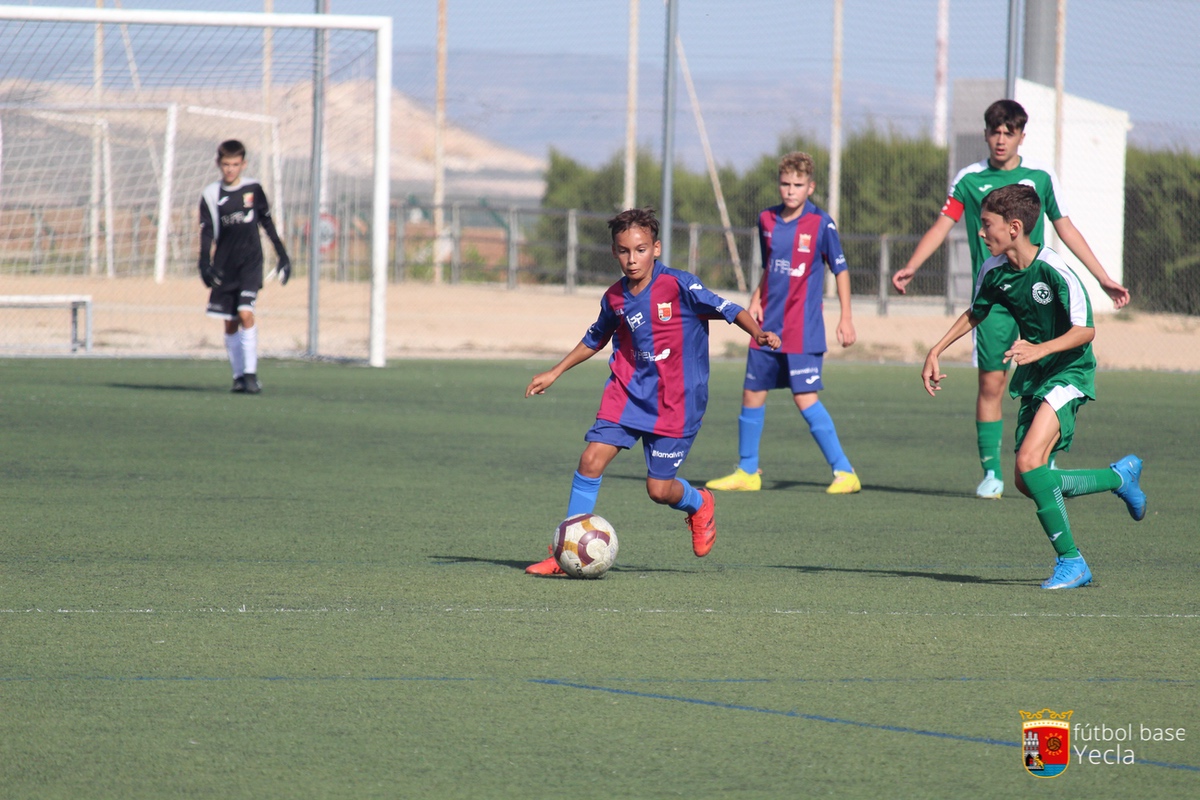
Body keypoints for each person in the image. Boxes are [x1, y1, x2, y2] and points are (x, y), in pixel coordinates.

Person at [524, 208, 781, 576]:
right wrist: (555, 371)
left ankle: (699, 503)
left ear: (656, 249)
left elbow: (731, 308)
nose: (632, 259)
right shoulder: (614, 297)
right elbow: (596, 338)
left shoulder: (679, 285)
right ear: (614, 252)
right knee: (590, 460)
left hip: (677, 401)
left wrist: (757, 333)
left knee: (659, 490)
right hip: (627, 392)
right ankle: (565, 551)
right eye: (624, 251)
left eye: (641, 250)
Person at [893, 99, 1129, 499]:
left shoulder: (1039, 178)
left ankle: (1043, 456)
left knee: (1047, 370)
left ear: (1021, 135)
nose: (1001, 139)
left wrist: (1102, 276)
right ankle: (991, 474)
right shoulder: (970, 179)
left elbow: (1065, 228)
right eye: (994, 131)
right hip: (996, 298)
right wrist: (913, 265)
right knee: (991, 384)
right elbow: (942, 224)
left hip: (1037, 298)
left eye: (1009, 132)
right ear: (986, 134)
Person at [921, 184, 1145, 590]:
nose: (981, 233)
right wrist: (937, 348)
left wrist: (1040, 349)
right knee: (1029, 479)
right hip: (1036, 376)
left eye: (986, 225)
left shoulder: (1054, 269)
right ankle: (1119, 478)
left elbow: (1086, 331)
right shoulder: (993, 270)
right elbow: (976, 312)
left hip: (1070, 372)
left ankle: (1072, 561)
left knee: (1027, 463)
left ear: (1014, 227)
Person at [706, 151, 861, 495]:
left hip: (802, 328)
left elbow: (841, 269)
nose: (790, 190)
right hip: (767, 325)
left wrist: (846, 317)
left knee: (804, 397)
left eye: (798, 185)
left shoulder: (822, 224)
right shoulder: (766, 220)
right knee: (752, 393)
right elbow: (770, 264)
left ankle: (845, 472)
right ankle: (747, 471)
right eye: (785, 184)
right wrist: (757, 296)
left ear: (810, 187)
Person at [198, 139, 291, 394]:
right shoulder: (210, 195)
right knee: (229, 323)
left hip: (250, 262)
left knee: (245, 313)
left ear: (244, 164)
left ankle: (250, 375)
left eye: (235, 164)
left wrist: (282, 255)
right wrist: (204, 263)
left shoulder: (253, 189)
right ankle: (238, 377)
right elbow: (206, 233)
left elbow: (267, 223)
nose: (230, 169)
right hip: (224, 265)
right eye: (226, 164)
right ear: (219, 164)